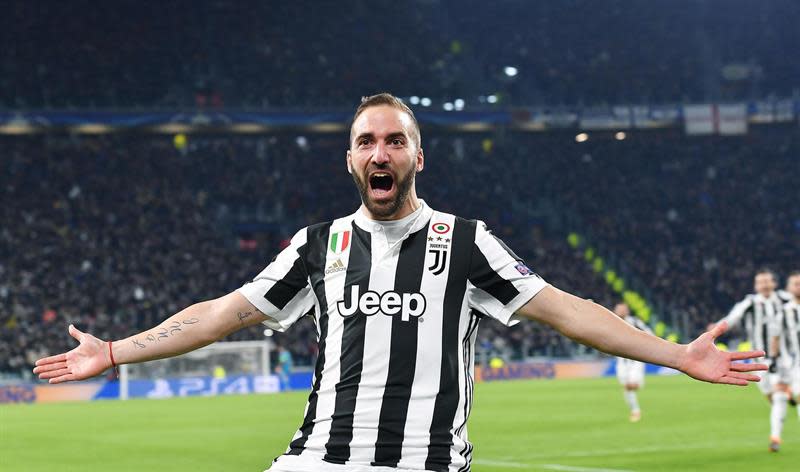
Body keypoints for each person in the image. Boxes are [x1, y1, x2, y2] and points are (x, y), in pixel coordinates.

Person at [34, 93, 766, 472]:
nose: (379, 151)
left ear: (419, 156)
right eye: (366, 141)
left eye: (394, 140)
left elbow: (568, 312)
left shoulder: (465, 241)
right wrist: (117, 350)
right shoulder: (319, 245)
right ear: (349, 162)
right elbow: (220, 315)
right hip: (315, 456)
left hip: (422, 460)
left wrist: (677, 354)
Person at [717, 269, 791, 452]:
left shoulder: (785, 299)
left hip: (784, 357)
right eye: (761, 282)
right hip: (759, 358)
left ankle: (775, 438)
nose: (764, 285)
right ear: (756, 286)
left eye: (767, 281)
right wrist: (716, 331)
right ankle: (787, 400)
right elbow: (732, 318)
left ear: (774, 283)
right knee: (771, 396)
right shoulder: (750, 302)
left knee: (779, 394)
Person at [612, 302, 652, 423]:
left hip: (635, 359)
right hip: (621, 361)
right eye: (618, 309)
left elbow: (649, 333)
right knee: (627, 386)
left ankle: (638, 385)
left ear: (627, 311)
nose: (620, 312)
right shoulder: (610, 321)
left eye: (622, 309)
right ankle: (635, 410)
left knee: (632, 385)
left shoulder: (634, 321)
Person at [781, 272, 800, 421]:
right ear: (788, 288)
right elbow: (775, 337)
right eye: (796, 284)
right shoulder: (783, 312)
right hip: (795, 362)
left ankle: (790, 392)